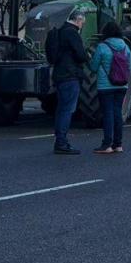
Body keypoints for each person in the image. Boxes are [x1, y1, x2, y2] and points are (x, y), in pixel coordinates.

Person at [44, 9, 88, 154]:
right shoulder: (72, 33)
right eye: (82, 23)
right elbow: (81, 55)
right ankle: (62, 142)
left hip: (59, 75)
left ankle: (60, 140)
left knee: (61, 109)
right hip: (70, 75)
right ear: (78, 20)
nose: (82, 26)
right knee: (67, 110)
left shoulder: (59, 32)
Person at [91, 20, 131, 155]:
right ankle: (118, 144)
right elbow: (129, 68)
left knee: (108, 114)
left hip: (105, 86)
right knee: (117, 113)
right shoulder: (126, 47)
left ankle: (107, 145)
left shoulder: (102, 47)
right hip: (122, 85)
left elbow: (93, 67)